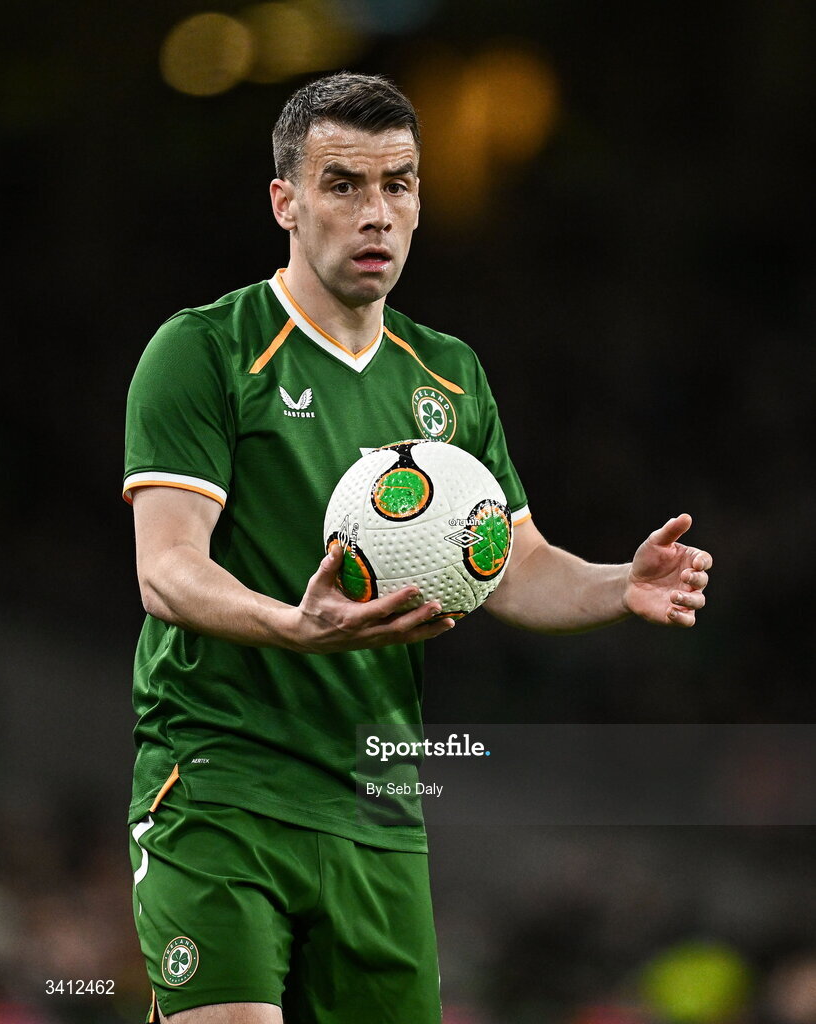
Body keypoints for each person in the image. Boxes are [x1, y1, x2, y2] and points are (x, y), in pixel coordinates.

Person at [124, 72, 712, 1024]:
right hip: (222, 784)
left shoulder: (448, 374)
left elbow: (513, 564)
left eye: (397, 185)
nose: (376, 213)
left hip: (377, 803)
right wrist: (292, 625)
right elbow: (167, 569)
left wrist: (619, 584)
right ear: (284, 202)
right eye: (342, 184)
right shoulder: (205, 351)